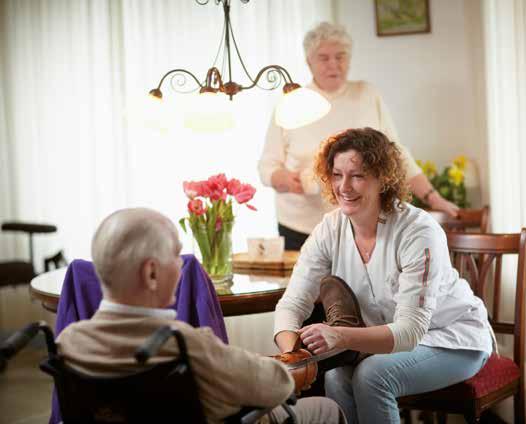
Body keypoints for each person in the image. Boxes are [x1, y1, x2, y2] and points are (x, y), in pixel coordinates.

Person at [273, 128, 493, 424]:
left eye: (358, 176)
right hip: (386, 344)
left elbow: (410, 332)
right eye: (337, 175)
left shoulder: (418, 231)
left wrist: (338, 336)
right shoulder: (330, 228)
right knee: (337, 376)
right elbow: (292, 304)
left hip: (454, 339)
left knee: (373, 376)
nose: (344, 187)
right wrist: (292, 359)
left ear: (383, 178)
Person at [56, 207, 345, 424]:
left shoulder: (69, 343)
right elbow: (275, 386)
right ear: (152, 272)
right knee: (325, 409)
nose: (180, 267)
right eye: (175, 256)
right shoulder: (185, 345)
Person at [258, 22, 458, 251]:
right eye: (324, 58)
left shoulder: (366, 95)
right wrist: (280, 178)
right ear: (308, 62)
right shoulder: (291, 104)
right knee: (307, 286)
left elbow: (396, 153)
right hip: (300, 226)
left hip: (361, 224)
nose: (334, 64)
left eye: (340, 56)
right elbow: (266, 166)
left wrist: (433, 197)